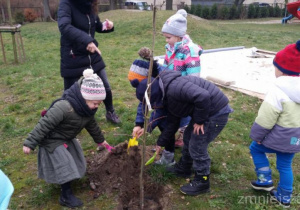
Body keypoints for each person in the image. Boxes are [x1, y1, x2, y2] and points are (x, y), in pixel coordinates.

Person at [133, 70, 233, 195]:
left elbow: (203, 96)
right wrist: (160, 142)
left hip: (215, 113)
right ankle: (184, 168)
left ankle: (203, 181)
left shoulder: (175, 89)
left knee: (197, 146)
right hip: (204, 111)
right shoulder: (167, 93)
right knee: (187, 137)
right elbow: (172, 122)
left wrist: (200, 120)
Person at [23, 69, 112, 208]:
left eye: (99, 104)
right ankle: (65, 195)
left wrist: (101, 140)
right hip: (51, 140)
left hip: (66, 137)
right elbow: (44, 124)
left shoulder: (87, 110)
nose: (96, 106)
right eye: (95, 103)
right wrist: (30, 143)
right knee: (65, 165)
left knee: (76, 159)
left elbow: (92, 125)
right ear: (84, 97)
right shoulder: (64, 107)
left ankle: (69, 180)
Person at [249, 40, 300, 208]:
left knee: (255, 148)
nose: (274, 71)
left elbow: (266, 119)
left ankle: (264, 180)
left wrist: (257, 136)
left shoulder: (278, 91)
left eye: (275, 67)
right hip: (295, 139)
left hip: (278, 137)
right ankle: (285, 197)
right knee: (285, 165)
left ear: (284, 70)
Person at [57, 0, 120, 124]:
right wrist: (87, 40)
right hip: (73, 55)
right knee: (70, 93)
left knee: (105, 85)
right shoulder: (66, 4)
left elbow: (95, 25)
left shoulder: (89, 4)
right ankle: (64, 118)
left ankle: (110, 112)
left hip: (92, 54)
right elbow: (64, 26)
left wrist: (106, 26)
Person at [129, 47, 189, 166]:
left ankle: (169, 156)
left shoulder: (165, 84)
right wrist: (139, 124)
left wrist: (148, 128)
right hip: (165, 107)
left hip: (178, 110)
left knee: (167, 127)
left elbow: (160, 113)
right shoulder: (151, 86)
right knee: (165, 127)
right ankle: (167, 148)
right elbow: (144, 102)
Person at [161, 9, 203, 147]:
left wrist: (189, 89)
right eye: (165, 37)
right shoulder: (170, 47)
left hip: (185, 88)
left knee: (184, 112)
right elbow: (166, 65)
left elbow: (194, 74)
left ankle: (185, 135)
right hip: (173, 86)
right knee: (175, 111)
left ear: (179, 36)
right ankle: (178, 130)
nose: (166, 41)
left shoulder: (190, 51)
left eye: (169, 37)